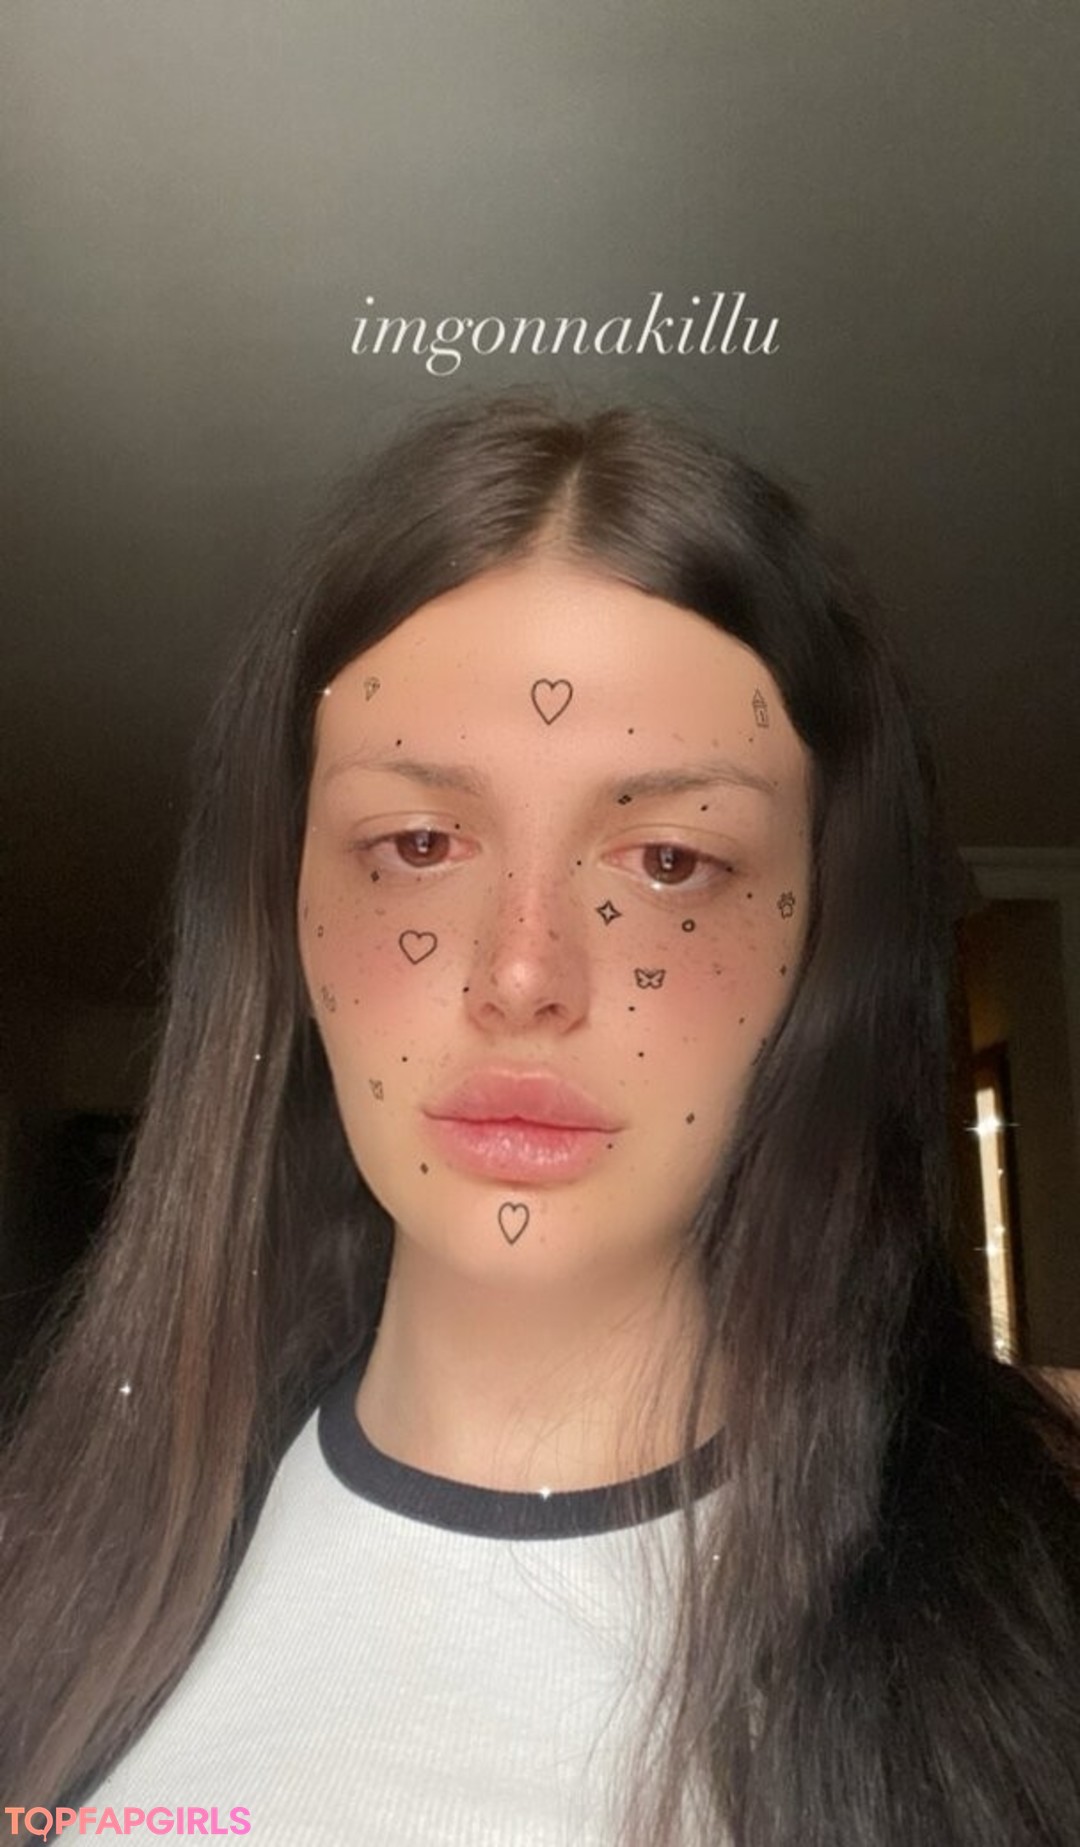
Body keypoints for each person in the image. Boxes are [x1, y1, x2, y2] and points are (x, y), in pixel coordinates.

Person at [2, 394, 1078, 1847]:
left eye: (670, 860)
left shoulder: (1041, 1571)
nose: (523, 976)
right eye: (419, 843)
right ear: (289, 917)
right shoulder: (55, 1575)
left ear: (818, 941)